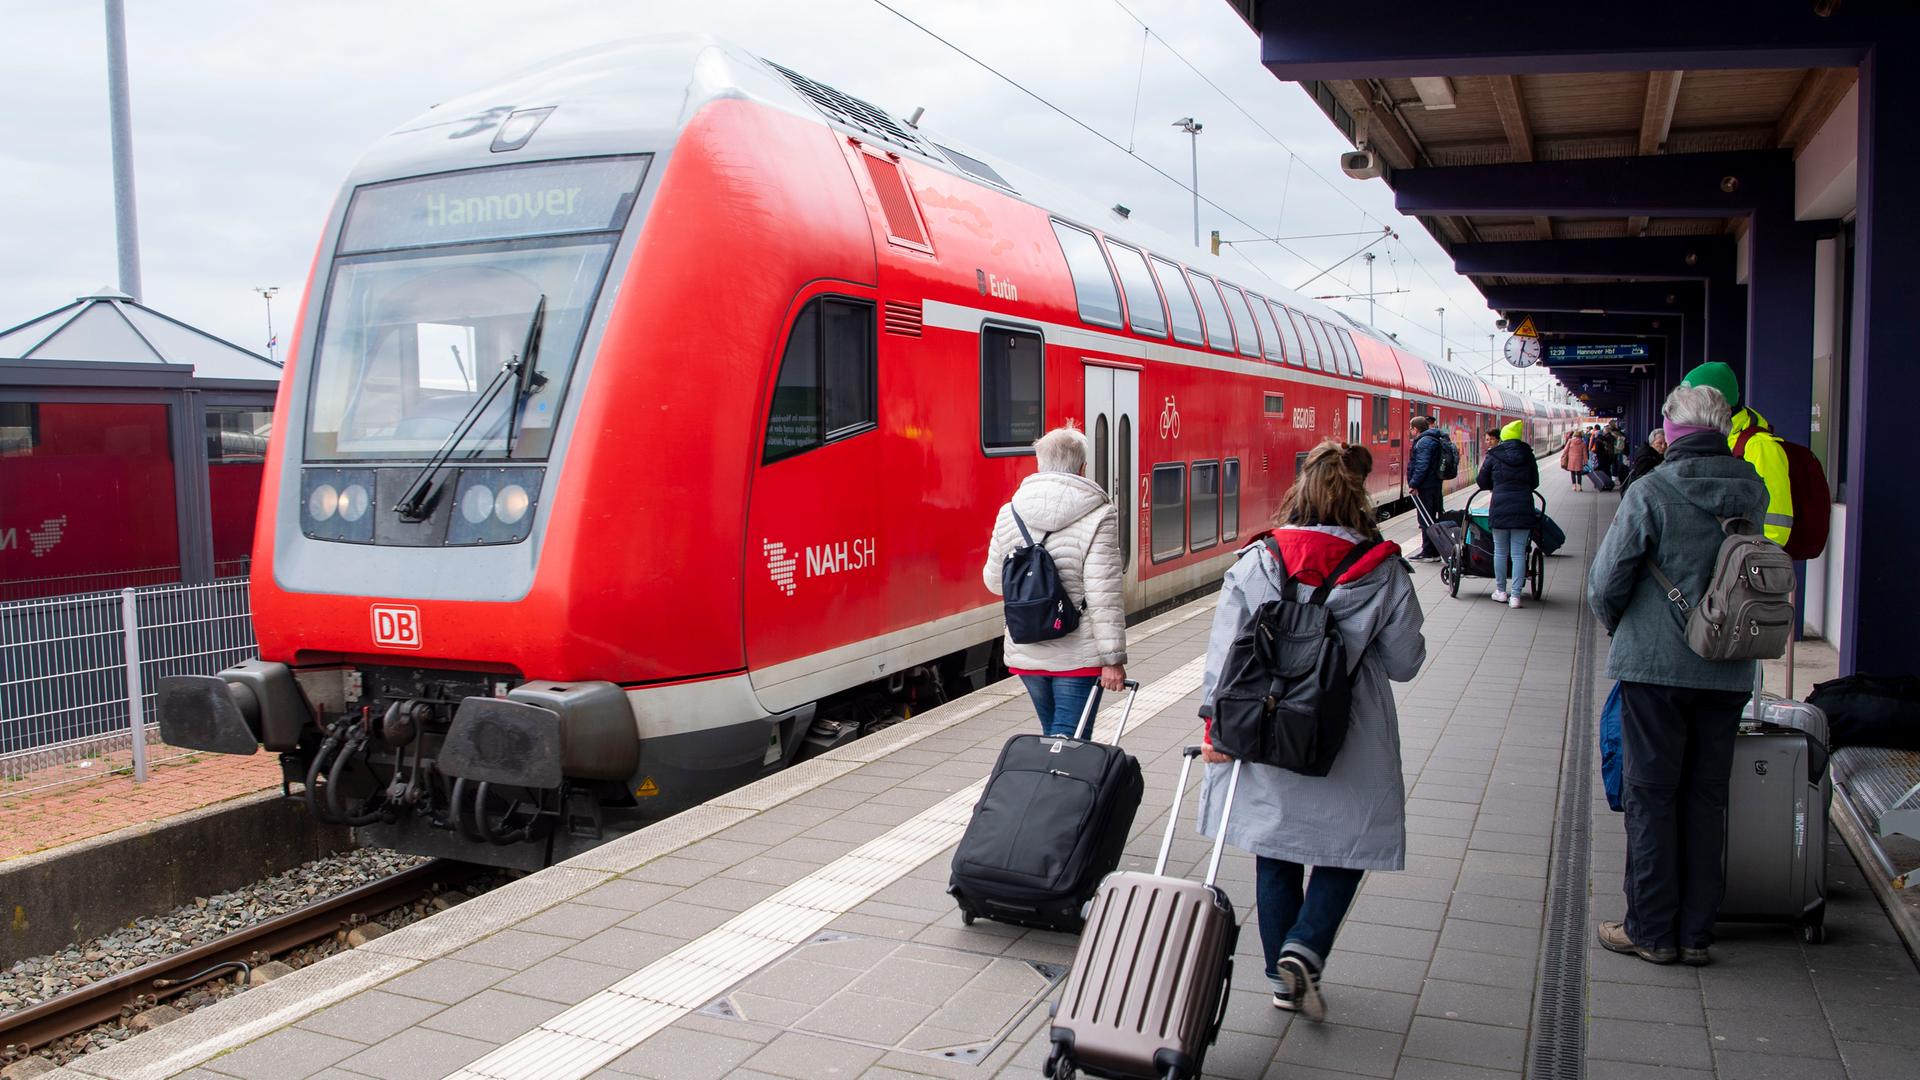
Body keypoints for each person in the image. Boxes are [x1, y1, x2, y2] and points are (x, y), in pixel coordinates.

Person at [1195, 440, 1426, 1022]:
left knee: (1275, 848)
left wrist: (1213, 725)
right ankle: (1307, 944)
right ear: (1360, 499)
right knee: (1346, 845)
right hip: (1348, 728)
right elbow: (1404, 662)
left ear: (1300, 492)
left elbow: (1224, 652)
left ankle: (1279, 975)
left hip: (1266, 726)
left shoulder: (1258, 560)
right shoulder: (1385, 569)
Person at [1586, 384, 1768, 967]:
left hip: (1657, 669)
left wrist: (1626, 628)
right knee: (1706, 798)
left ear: (1673, 428)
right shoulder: (1752, 488)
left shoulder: (1652, 489)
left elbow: (1605, 582)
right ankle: (1695, 932)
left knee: (1652, 795)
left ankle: (1651, 930)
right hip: (1729, 664)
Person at [982, 424, 1126, 736]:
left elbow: (994, 582)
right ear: (1082, 467)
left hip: (1028, 648)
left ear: (1039, 464)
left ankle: (1052, 782)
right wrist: (1113, 659)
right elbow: (1104, 593)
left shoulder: (1010, 512)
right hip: (1077, 652)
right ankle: (1063, 784)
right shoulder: (1099, 513)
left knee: (1055, 737)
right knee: (1069, 742)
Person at [1680, 361, 1794, 548]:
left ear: (1712, 401)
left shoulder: (1760, 446)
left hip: (1742, 567)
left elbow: (1776, 522)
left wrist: (1753, 563)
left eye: (1690, 400)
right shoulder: (1720, 439)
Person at [1478, 419, 1540, 607]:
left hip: (1500, 507)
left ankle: (1501, 591)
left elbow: (1482, 481)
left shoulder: (1493, 455)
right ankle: (1516, 596)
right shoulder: (1528, 455)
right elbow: (1535, 482)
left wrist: (1496, 486)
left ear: (1503, 437)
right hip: (1523, 507)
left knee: (1500, 551)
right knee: (1519, 554)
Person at [1405, 416, 1446, 561]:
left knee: (1425, 519)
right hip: (1433, 485)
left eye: (1410, 428)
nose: (1410, 431)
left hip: (1426, 487)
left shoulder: (1424, 442)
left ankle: (1429, 552)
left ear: (1415, 429)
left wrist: (1414, 484)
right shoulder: (1431, 440)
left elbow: (1422, 466)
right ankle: (1433, 551)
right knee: (1430, 518)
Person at [1623, 428, 1667, 493]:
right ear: (1652, 443)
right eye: (1659, 443)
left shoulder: (1656, 454)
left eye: (1665, 443)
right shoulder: (1646, 458)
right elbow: (1643, 479)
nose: (1663, 446)